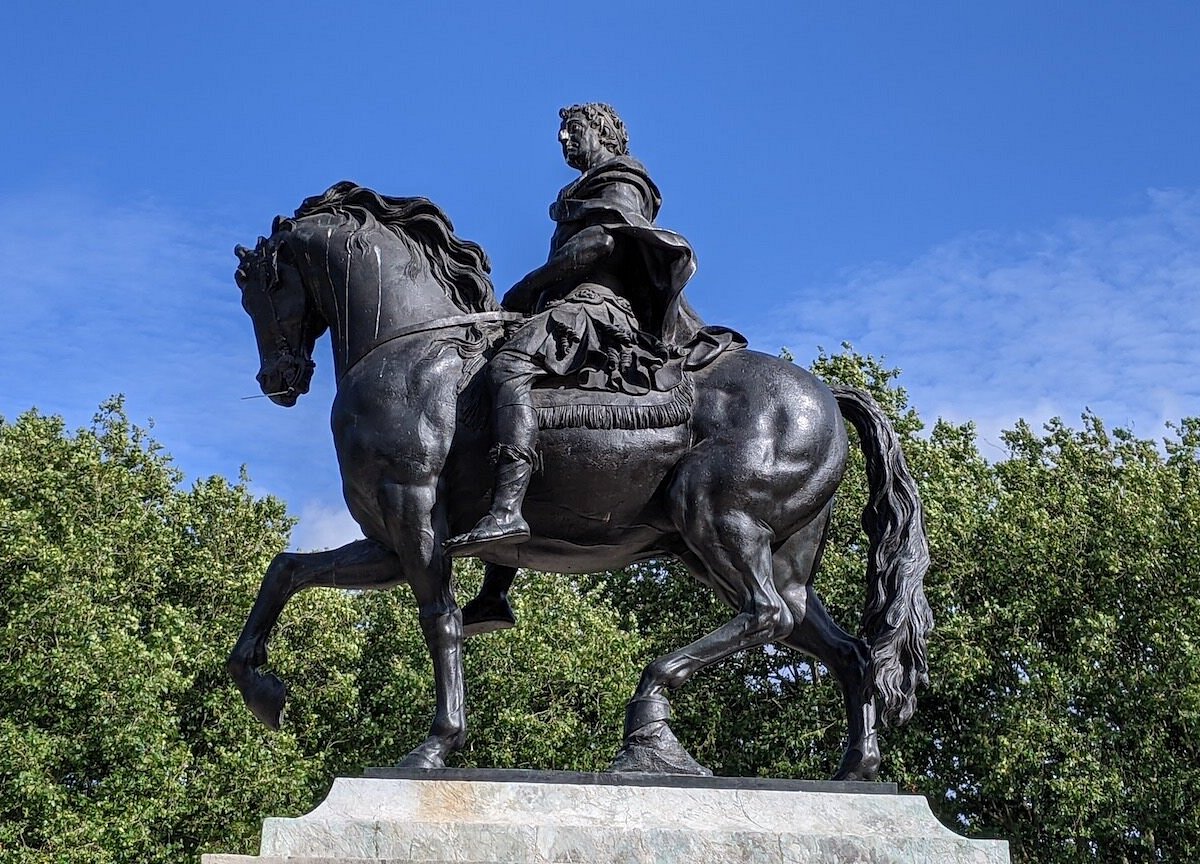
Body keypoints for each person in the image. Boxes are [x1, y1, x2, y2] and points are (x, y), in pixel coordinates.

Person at [445, 103, 733, 558]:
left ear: (603, 131)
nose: (563, 139)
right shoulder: (579, 190)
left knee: (508, 368)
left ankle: (506, 510)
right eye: (561, 132)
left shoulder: (620, 179)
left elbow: (600, 243)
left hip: (596, 310)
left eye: (573, 129)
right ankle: (498, 579)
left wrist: (527, 285)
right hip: (568, 306)